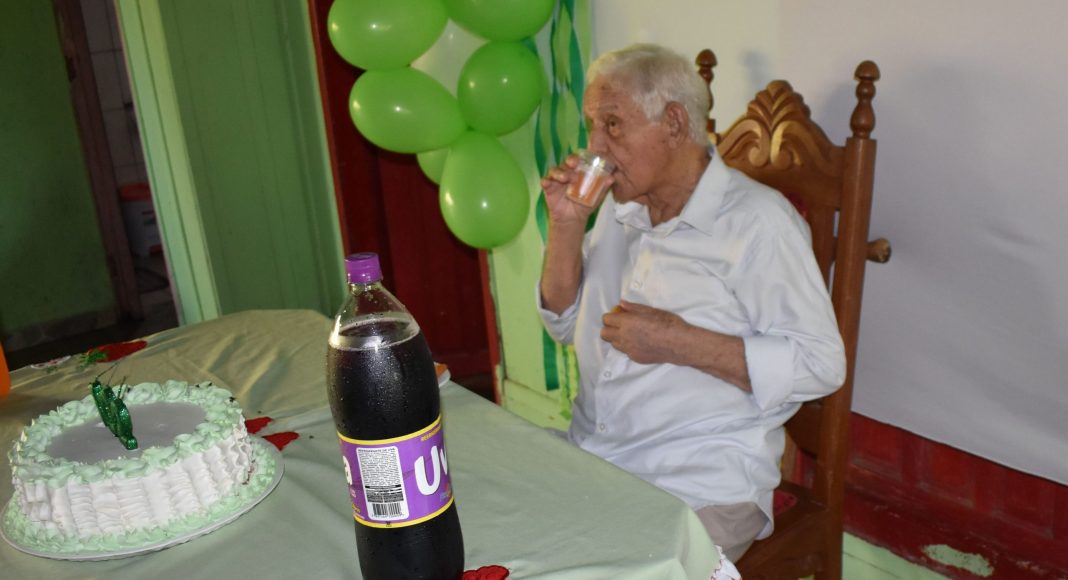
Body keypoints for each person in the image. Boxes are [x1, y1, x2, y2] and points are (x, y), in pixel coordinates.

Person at [537, 43, 846, 561]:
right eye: (592, 126)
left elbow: (821, 365)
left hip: (700, 485)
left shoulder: (757, 223)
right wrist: (566, 226)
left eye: (612, 125)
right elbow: (563, 324)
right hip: (596, 458)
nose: (595, 147)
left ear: (675, 123)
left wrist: (678, 343)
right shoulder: (618, 208)